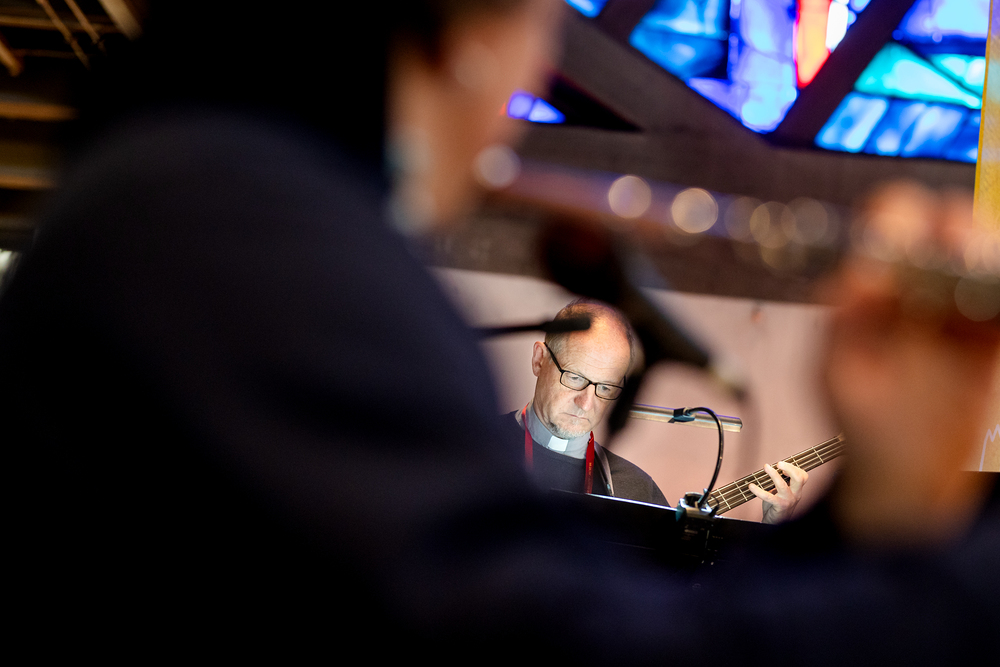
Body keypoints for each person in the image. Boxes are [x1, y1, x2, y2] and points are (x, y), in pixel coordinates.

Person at [503, 299, 809, 521]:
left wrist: (773, 526)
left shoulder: (636, 489)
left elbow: (673, 587)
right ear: (539, 360)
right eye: (574, 378)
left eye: (605, 388)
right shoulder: (479, 451)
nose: (586, 403)